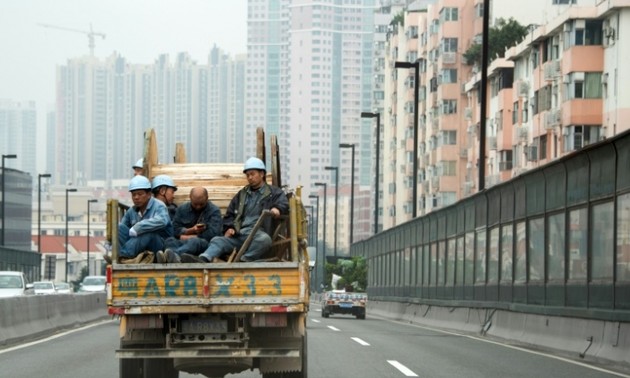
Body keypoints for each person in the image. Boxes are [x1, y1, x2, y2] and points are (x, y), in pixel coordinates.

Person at [181, 157, 289, 263]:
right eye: (247, 175)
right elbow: (230, 215)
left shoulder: (274, 192)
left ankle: (244, 260)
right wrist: (230, 228)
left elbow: (283, 203)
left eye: (252, 174)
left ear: (262, 174)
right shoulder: (241, 195)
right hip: (240, 234)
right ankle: (203, 259)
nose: (250, 177)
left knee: (265, 241)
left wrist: (277, 209)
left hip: (258, 235)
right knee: (217, 241)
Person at [157, 187, 222, 263]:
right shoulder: (182, 209)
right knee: (169, 241)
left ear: (207, 198)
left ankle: (174, 256)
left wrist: (190, 237)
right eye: (195, 204)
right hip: (183, 242)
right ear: (190, 197)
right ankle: (175, 257)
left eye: (201, 204)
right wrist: (191, 230)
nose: (198, 207)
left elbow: (214, 233)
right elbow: (174, 229)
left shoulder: (214, 211)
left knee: (194, 241)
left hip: (202, 244)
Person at [117, 175, 173, 263]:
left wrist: (138, 227)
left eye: (139, 194)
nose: (136, 197)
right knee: (119, 228)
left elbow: (162, 221)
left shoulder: (159, 205)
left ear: (149, 194)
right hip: (137, 247)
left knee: (147, 232)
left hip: (158, 246)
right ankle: (128, 257)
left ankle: (124, 257)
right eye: (133, 194)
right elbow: (123, 228)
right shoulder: (132, 211)